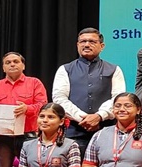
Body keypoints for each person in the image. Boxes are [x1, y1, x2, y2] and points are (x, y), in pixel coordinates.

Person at [52, 27, 126, 157]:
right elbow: (59, 98)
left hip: (106, 132)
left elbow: (118, 98)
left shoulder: (114, 69)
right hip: (74, 133)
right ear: (77, 45)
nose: (86, 45)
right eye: (83, 41)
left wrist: (99, 116)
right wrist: (83, 118)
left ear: (102, 46)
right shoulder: (65, 69)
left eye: (92, 41)